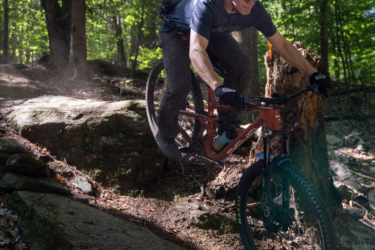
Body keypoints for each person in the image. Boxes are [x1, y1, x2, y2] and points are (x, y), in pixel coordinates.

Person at [156, 0, 330, 160]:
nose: (250, 3)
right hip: (177, 34)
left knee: (242, 64)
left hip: (214, 33)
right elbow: (196, 50)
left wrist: (313, 73)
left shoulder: (255, 9)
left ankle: (227, 125)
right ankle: (164, 133)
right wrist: (218, 86)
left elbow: (282, 44)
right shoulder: (208, 5)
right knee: (180, 85)